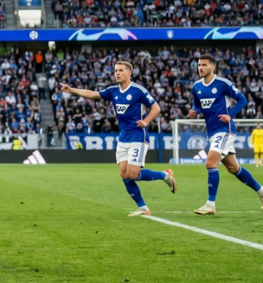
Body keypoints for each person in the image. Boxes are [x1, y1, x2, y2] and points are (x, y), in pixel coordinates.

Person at [60, 60, 177, 216]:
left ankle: (165, 175)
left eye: (121, 70)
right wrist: (72, 90)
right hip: (123, 139)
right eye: (116, 70)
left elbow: (156, 108)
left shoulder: (138, 90)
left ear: (129, 73)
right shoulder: (113, 91)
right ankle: (143, 207)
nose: (117, 73)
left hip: (138, 137)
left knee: (133, 174)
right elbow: (93, 94)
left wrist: (146, 121)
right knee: (124, 173)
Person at [188, 55, 263, 215]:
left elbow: (242, 100)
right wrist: (194, 111)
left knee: (210, 163)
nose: (200, 68)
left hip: (225, 130)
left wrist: (230, 115)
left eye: (204, 65)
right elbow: (197, 103)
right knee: (233, 168)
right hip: (212, 132)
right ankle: (262, 191)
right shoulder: (196, 86)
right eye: (199, 65)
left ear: (213, 67)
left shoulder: (223, 83)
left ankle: (210, 205)